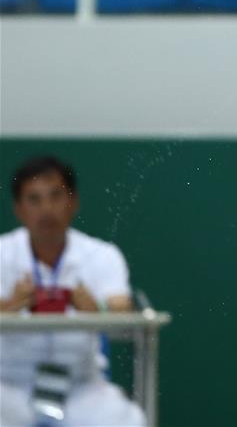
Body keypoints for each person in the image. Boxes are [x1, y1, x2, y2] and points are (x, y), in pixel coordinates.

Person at [0, 156, 146, 426]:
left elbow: (121, 311)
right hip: (10, 385)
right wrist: (8, 306)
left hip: (81, 387)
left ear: (73, 202)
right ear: (19, 209)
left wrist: (95, 311)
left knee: (128, 420)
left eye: (55, 196)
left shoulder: (102, 255)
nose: (46, 209)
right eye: (34, 199)